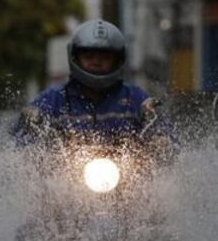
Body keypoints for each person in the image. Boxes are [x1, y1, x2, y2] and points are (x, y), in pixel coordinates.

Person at [15, 19, 176, 147]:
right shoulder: (54, 98)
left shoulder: (134, 97)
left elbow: (163, 129)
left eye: (104, 57)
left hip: (128, 181)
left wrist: (162, 140)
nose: (96, 62)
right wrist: (30, 141)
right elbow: (21, 137)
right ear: (75, 58)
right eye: (89, 57)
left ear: (117, 60)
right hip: (65, 181)